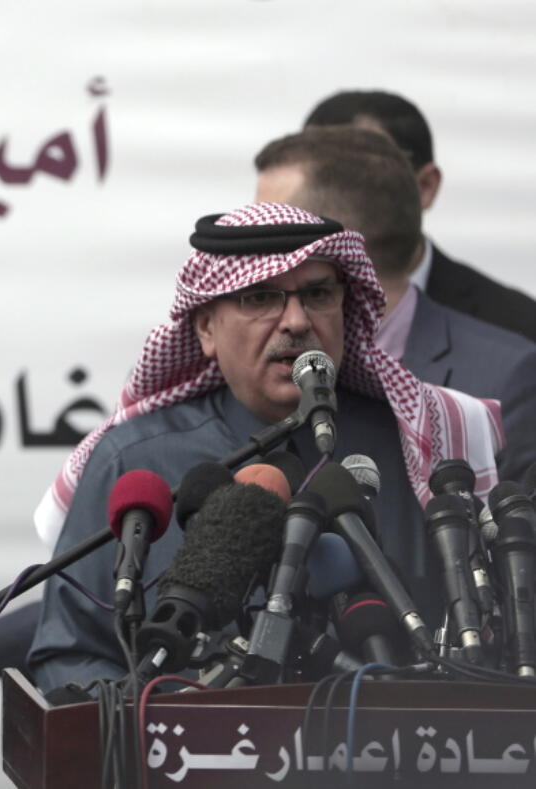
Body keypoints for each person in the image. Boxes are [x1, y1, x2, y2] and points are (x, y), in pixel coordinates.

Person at [28, 203, 502, 692]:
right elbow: (70, 654)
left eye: (317, 294)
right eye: (260, 297)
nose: (296, 321)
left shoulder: (417, 446)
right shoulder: (133, 461)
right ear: (206, 328)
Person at [253, 125, 536, 482]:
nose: (247, 249)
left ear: (342, 248)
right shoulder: (250, 371)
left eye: (270, 228)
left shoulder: (504, 381)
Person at [304, 90, 536, 342]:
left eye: (357, 176)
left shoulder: (515, 327)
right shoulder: (270, 308)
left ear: (425, 186)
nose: (326, 196)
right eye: (312, 178)